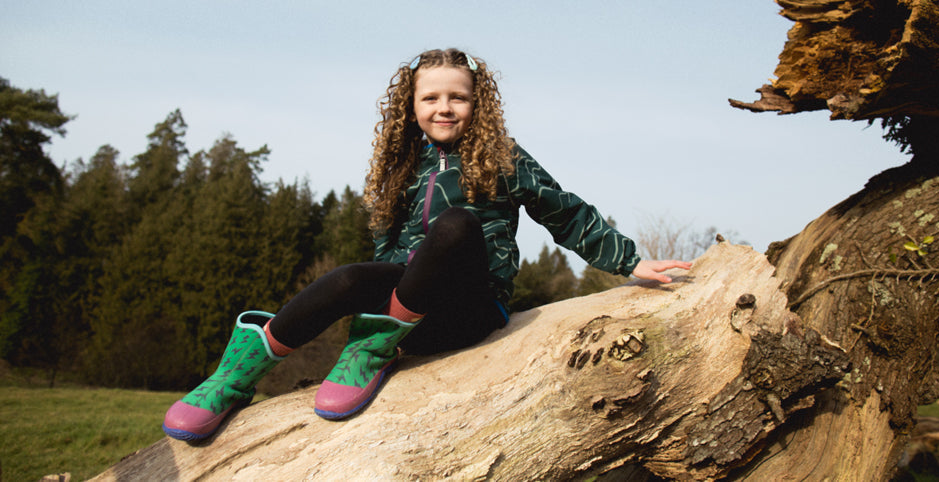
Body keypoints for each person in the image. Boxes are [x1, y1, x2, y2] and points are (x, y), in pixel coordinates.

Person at [162, 48, 692, 441]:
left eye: (457, 97)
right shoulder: (400, 166)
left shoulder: (503, 155)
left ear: (475, 103)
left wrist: (629, 261)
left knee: (458, 224)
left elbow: (565, 211)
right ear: (410, 106)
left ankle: (374, 346)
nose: (444, 107)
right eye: (431, 97)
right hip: (410, 310)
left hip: (471, 307)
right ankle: (233, 380)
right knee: (348, 276)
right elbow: (387, 249)